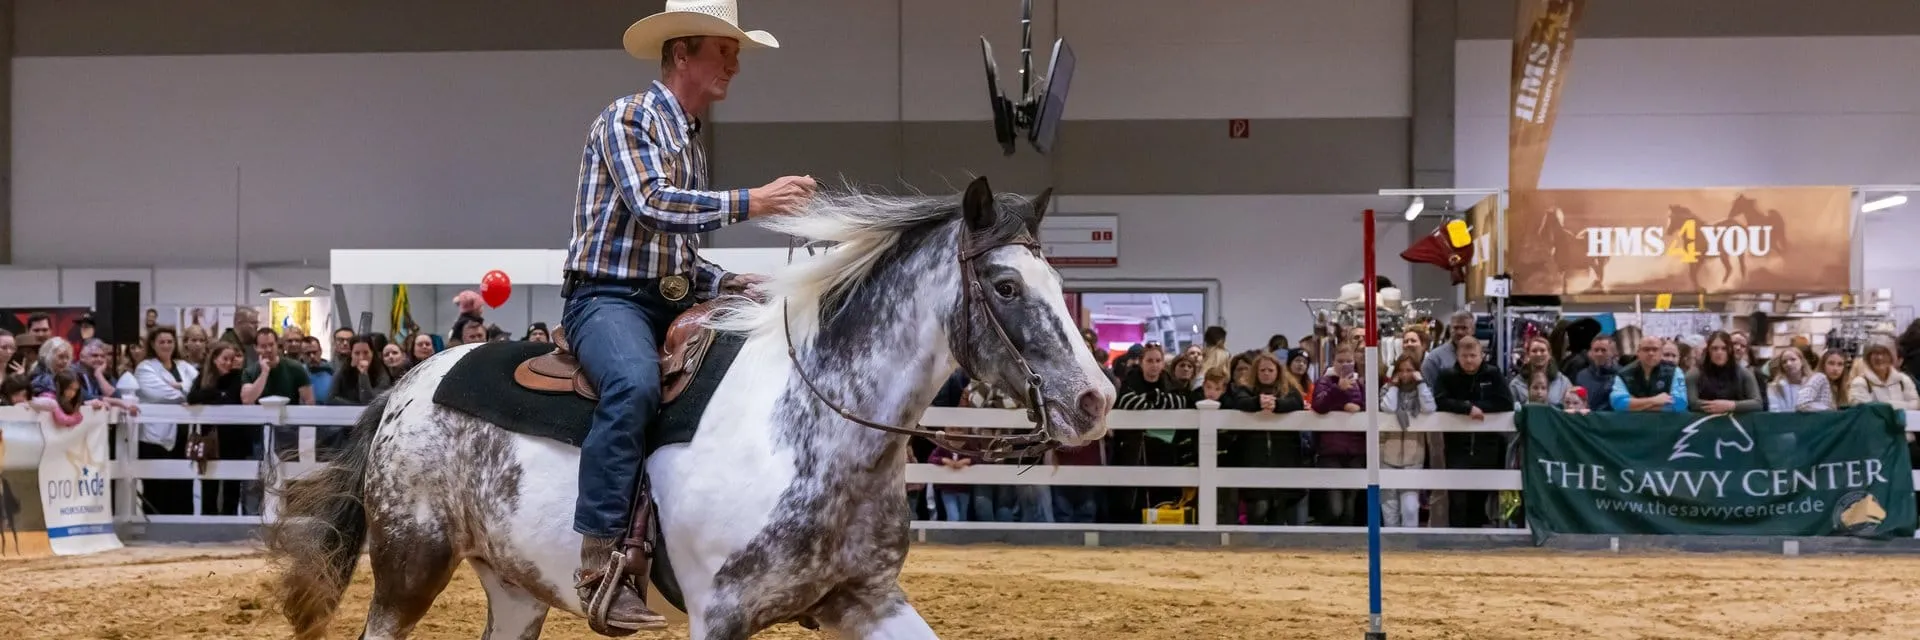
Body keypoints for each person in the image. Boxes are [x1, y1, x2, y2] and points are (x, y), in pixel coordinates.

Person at [559, 2, 810, 630]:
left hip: (664, 296)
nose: (734, 66)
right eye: (723, 52)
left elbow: (675, 252)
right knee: (633, 384)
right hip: (605, 298)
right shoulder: (629, 118)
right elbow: (652, 205)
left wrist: (730, 281)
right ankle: (597, 563)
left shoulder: (687, 140)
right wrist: (754, 201)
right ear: (682, 54)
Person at [1610, 337, 1687, 413]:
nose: (1651, 353)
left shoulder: (1675, 371)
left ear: (1661, 352)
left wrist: (1634, 405)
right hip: (1634, 423)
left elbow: (1680, 403)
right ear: (1638, 352)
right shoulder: (1624, 374)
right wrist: (1655, 400)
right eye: (1646, 349)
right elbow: (1618, 403)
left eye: (1655, 349)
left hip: (1666, 423)